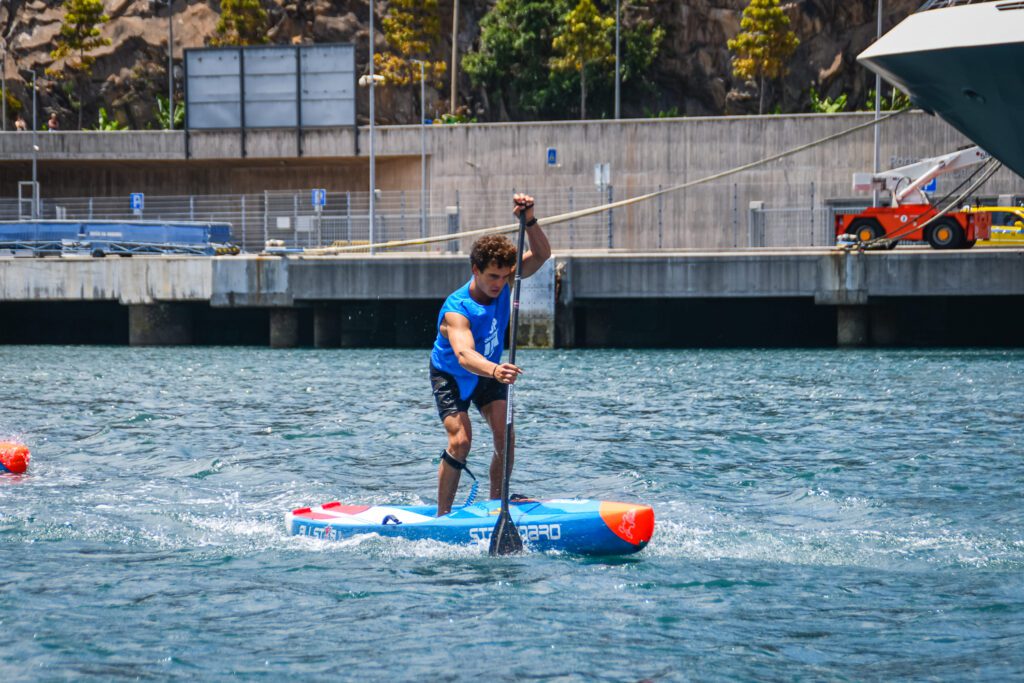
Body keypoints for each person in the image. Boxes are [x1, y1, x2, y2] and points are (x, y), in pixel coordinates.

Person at [429, 193, 551, 516]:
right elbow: (464, 354)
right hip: (453, 374)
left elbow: (542, 254)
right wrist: (496, 371)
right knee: (461, 441)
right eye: (492, 277)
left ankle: (498, 505)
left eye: (504, 276)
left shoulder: (507, 278)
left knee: (505, 439)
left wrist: (529, 220)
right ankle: (442, 517)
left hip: (489, 371)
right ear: (475, 270)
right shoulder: (457, 310)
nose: (499, 283)